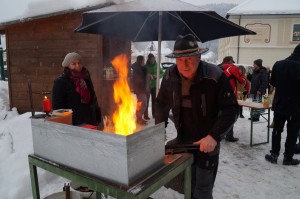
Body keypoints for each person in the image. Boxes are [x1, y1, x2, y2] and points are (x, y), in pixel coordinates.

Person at [155, 34, 238, 199]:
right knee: (186, 185)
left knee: (202, 192)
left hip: (207, 142)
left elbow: (231, 109)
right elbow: (161, 103)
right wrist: (158, 131)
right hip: (183, 140)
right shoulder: (170, 75)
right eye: (179, 60)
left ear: (199, 57)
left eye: (189, 59)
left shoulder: (214, 76)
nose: (184, 65)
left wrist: (214, 136)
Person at [265, 44, 300, 165]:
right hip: (296, 107)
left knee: (277, 130)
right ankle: (288, 158)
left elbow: (273, 83)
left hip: (280, 104)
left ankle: (274, 155)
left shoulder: (279, 64)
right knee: (292, 133)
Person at [52, 52, 102, 128]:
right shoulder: (61, 82)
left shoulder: (86, 78)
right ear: (68, 65)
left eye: (79, 63)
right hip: (73, 123)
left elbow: (93, 98)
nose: (77, 66)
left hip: (90, 121)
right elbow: (58, 106)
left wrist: (97, 116)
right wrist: (63, 123)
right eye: (74, 64)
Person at [221, 57, 250, 142]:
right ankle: (229, 136)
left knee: (220, 115)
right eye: (232, 62)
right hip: (230, 96)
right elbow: (243, 80)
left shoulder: (217, 67)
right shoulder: (232, 68)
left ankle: (220, 134)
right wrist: (247, 89)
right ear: (230, 61)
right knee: (231, 115)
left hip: (219, 96)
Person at [144, 53, 164, 119]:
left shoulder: (157, 65)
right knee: (146, 101)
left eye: (153, 59)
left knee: (155, 101)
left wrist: (157, 76)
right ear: (149, 59)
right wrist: (148, 75)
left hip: (155, 86)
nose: (152, 60)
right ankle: (145, 115)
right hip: (147, 86)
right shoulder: (145, 66)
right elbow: (142, 75)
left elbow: (162, 73)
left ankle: (154, 114)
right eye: (151, 59)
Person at [131, 55, 148, 125]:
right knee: (143, 104)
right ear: (141, 61)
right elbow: (139, 80)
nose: (144, 61)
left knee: (140, 103)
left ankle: (139, 118)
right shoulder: (138, 69)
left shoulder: (138, 68)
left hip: (139, 89)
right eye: (143, 60)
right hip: (140, 89)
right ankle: (139, 118)